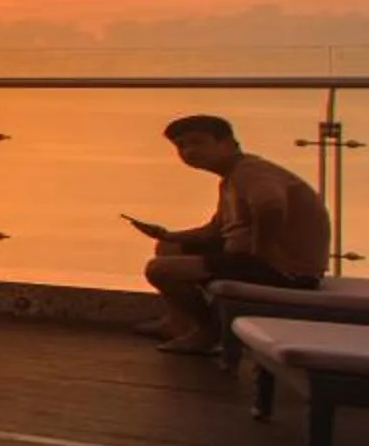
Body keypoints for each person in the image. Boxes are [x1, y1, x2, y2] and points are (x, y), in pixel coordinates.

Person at [132, 114, 330, 354]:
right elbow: (215, 231)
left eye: (197, 142)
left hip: (286, 271)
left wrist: (261, 251)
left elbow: (271, 206)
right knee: (168, 249)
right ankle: (178, 323)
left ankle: (208, 333)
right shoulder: (233, 178)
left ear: (228, 143)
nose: (189, 151)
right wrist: (168, 235)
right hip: (252, 259)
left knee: (159, 269)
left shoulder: (251, 173)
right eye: (181, 146)